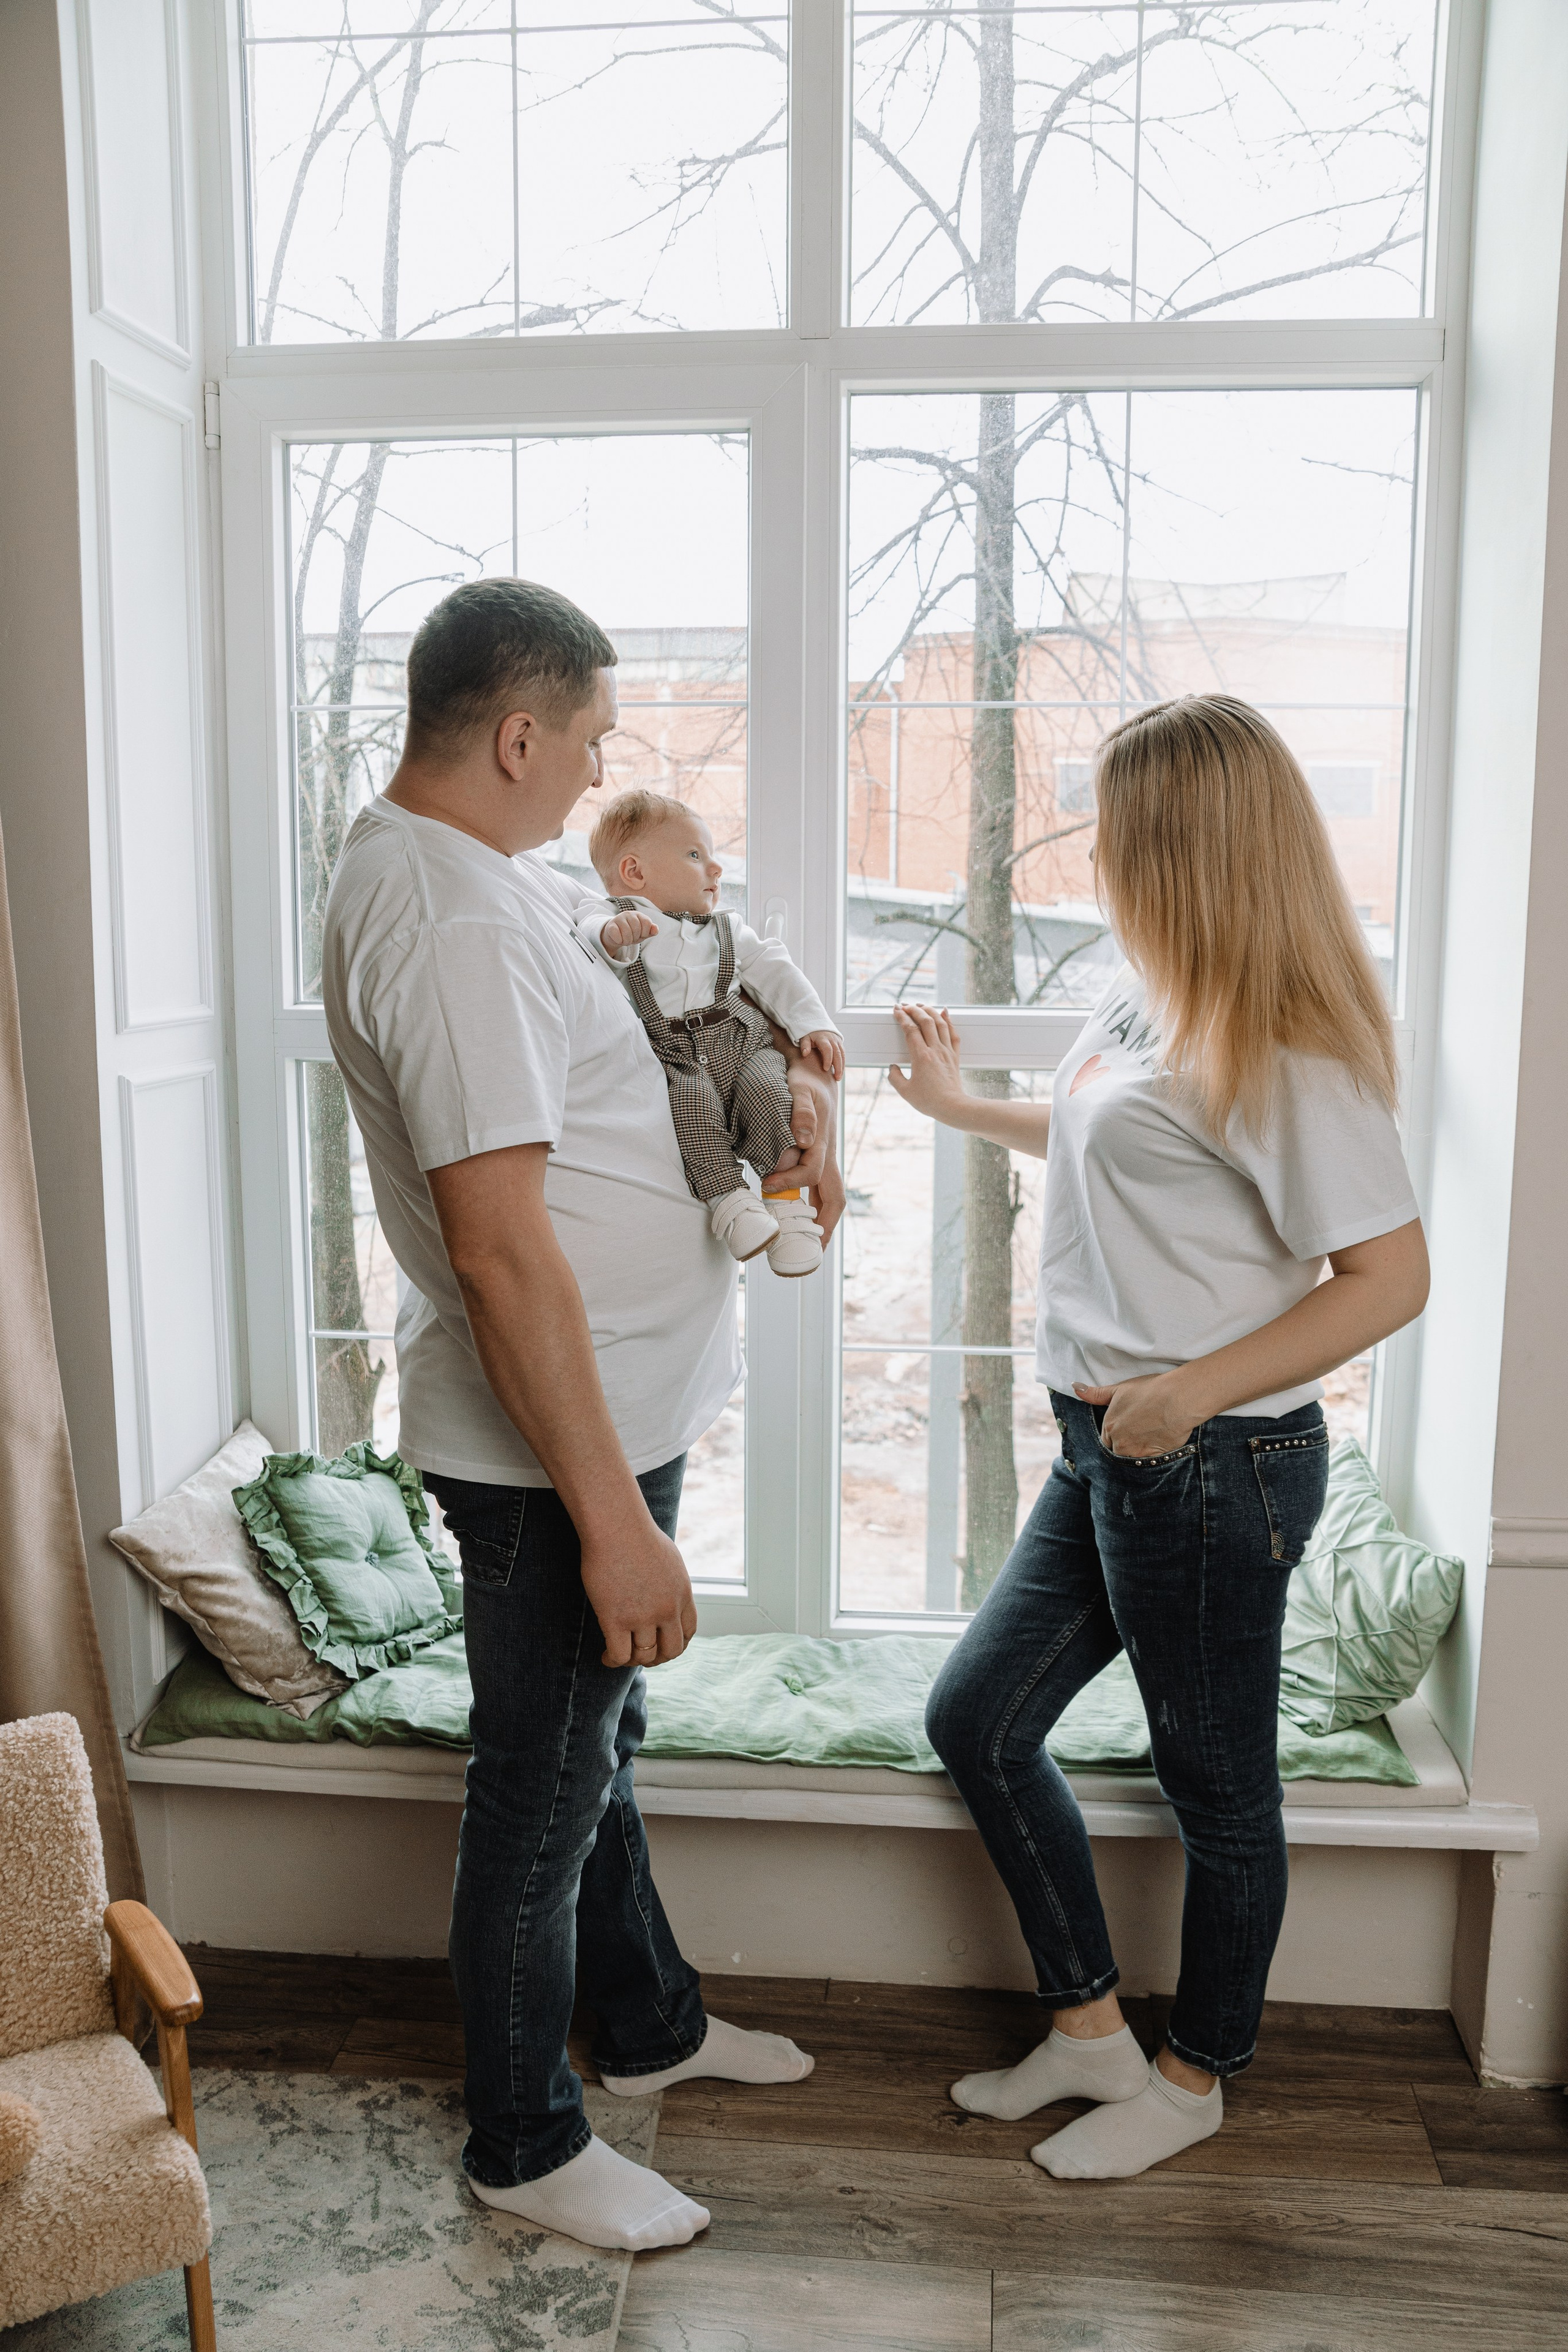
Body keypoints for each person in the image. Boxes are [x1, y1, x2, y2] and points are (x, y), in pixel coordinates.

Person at [321, 578, 840, 2252]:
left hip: (607, 1416)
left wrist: (794, 1106)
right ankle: (525, 2142)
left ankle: (648, 2023)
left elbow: (642, 1048)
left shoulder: (482, 876)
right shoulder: (453, 920)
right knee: (539, 1795)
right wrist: (611, 1521)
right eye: (593, 737)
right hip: (555, 1456)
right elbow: (496, 1245)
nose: (602, 768)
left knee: (588, 1755)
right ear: (518, 732)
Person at [889, 693, 1430, 2181]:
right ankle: (1087, 2032)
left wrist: (1186, 1393)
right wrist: (961, 1109)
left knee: (1218, 1794)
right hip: (1107, 1448)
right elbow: (1111, 1143)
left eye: (1119, 828)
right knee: (976, 1719)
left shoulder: (1291, 1048)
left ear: (1186, 845)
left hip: (1209, 1465)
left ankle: (1193, 2078)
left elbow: (1387, 1279)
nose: (1098, 852)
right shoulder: (1145, 995)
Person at [574, 788, 845, 1278]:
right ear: (635, 871)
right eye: (696, 855)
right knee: (693, 1114)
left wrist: (814, 1022)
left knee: (771, 1097)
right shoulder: (612, 916)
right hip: (677, 1056)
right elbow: (588, 928)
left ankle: (787, 1208)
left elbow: (775, 969)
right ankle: (732, 1204)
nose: (716, 868)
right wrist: (613, 935)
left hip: (742, 1042)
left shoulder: (726, 929)